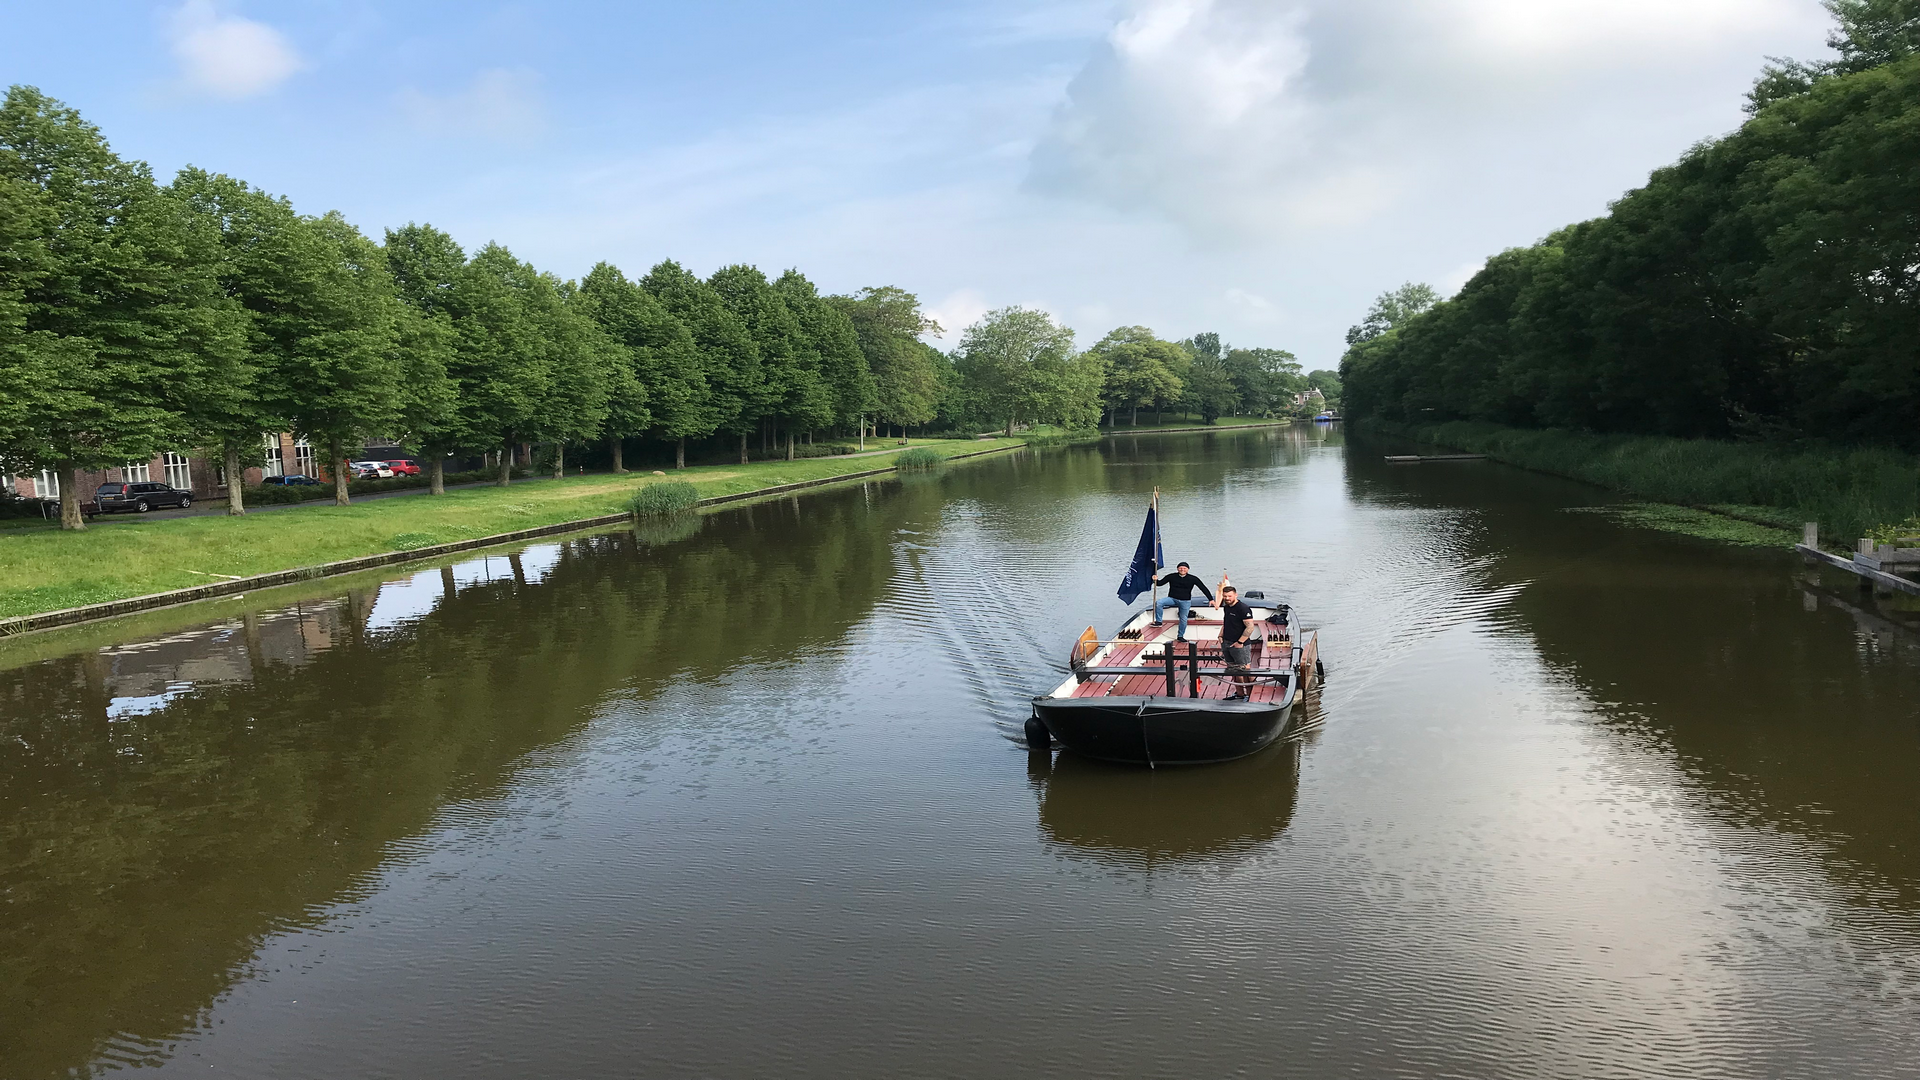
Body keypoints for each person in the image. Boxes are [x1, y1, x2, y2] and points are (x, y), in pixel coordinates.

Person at [1151, 562, 1214, 639]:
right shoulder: (1171, 576)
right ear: (1177, 569)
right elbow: (1160, 583)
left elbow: (1203, 588)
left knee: (1183, 619)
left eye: (1184, 568)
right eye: (1180, 568)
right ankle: (1159, 622)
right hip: (1172, 599)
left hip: (1185, 601)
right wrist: (1155, 580)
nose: (1182, 569)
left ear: (1188, 569)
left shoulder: (1193, 578)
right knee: (1159, 603)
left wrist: (1210, 599)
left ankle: (1180, 636)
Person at [1217, 584, 1257, 700]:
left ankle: (1250, 695)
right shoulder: (1226, 607)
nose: (1227, 598)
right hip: (1227, 642)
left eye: (1229, 596)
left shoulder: (1243, 608)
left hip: (1240, 645)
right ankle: (1239, 694)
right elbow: (1226, 622)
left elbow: (1250, 627)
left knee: (1245, 670)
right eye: (1225, 596)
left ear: (1235, 595)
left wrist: (1240, 642)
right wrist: (1221, 635)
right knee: (1233, 670)